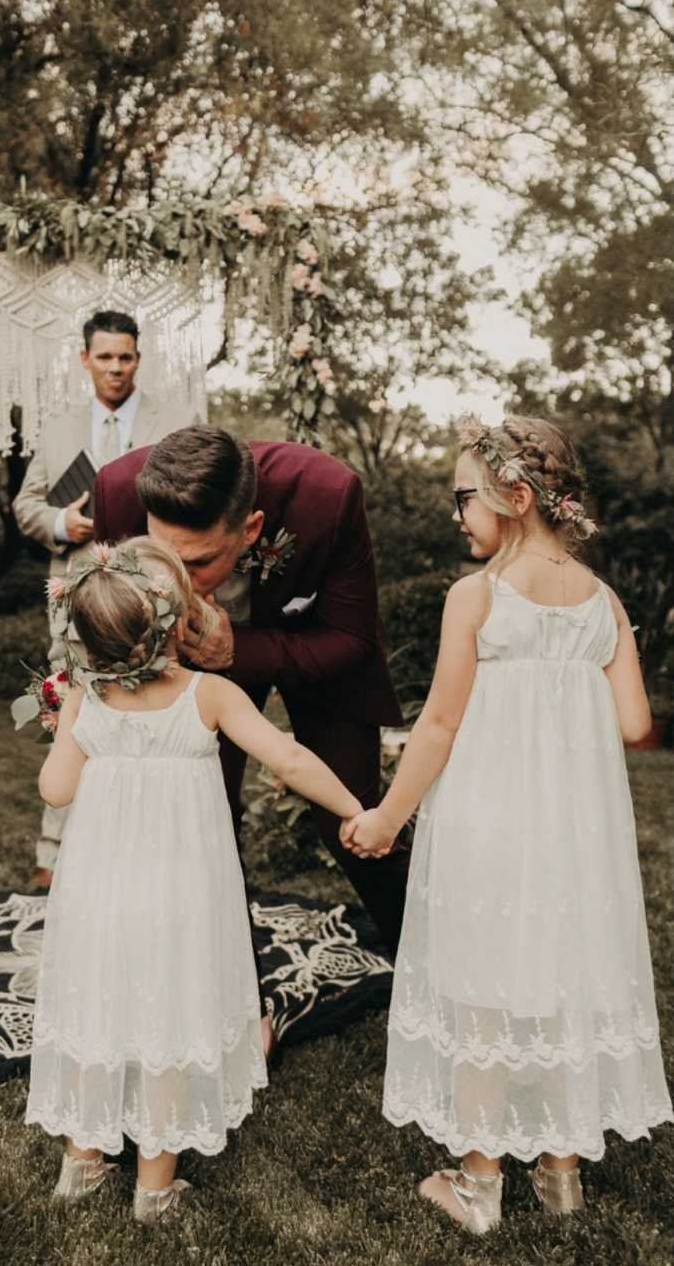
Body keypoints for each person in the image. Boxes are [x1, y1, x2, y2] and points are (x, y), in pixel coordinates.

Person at [341, 414, 673, 1234]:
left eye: (466, 496)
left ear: (516, 497)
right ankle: (561, 1175)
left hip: (490, 823)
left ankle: (480, 1182)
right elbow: (635, 725)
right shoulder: (604, 602)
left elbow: (442, 723)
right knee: (558, 977)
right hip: (573, 835)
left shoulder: (479, 596)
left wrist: (388, 814)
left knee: (483, 985)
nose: (458, 513)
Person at [24, 537, 362, 1224]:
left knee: (102, 1003)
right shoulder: (212, 694)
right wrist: (357, 808)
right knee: (169, 1011)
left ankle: (82, 1163)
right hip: (181, 896)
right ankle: (154, 1185)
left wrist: (67, 728)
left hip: (101, 895)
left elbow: (55, 790)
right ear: (178, 621)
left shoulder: (89, 701)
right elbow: (289, 760)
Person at [90, 426, 406, 1054]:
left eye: (201, 561)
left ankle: (434, 961)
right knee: (202, 823)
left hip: (304, 650)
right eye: (165, 556)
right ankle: (236, 1005)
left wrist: (243, 648)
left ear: (253, 529)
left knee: (349, 819)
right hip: (187, 671)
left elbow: (350, 641)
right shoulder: (117, 491)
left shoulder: (329, 494)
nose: (177, 579)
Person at [13, 310, 200, 886]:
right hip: (74, 592)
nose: (115, 368)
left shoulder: (174, 421)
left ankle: (147, 846)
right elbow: (26, 505)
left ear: (138, 359)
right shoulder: (57, 426)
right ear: (84, 358)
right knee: (69, 706)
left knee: (153, 706)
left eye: (125, 357)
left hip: (150, 591)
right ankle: (54, 851)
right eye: (105, 357)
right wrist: (63, 524)